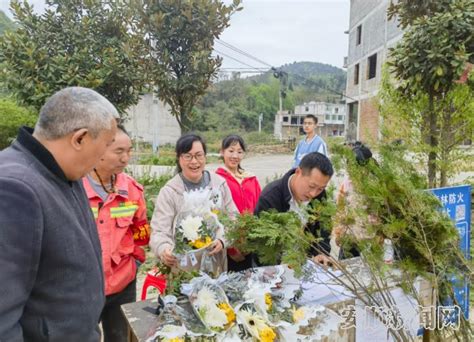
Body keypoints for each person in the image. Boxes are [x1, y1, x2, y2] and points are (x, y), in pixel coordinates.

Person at [0, 87, 118, 341]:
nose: (103, 156)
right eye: (106, 144)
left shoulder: (62, 172)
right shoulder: (14, 188)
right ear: (80, 139)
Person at [82, 125, 149, 342]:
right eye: (119, 151)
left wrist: (135, 263)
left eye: (129, 151)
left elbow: (141, 232)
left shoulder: (131, 190)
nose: (126, 158)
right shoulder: (75, 187)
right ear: (99, 149)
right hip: (83, 287)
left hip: (122, 283)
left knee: (120, 338)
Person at [150, 133, 238, 275]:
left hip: (216, 265)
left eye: (199, 155)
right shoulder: (170, 191)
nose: (194, 161)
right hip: (182, 268)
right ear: (179, 159)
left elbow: (234, 219)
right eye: (188, 156)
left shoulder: (219, 184)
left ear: (205, 157)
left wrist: (223, 241)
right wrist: (163, 249)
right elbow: (159, 230)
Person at [255, 152, 334, 266]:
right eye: (311, 186)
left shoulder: (320, 196)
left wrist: (321, 252)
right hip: (276, 265)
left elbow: (324, 227)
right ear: (298, 172)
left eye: (321, 188)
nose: (313, 194)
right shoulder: (271, 197)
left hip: (304, 261)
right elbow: (261, 244)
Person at [215, 134, 261, 271]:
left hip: (250, 245)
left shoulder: (251, 180)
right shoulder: (217, 180)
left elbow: (260, 210)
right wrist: (231, 248)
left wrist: (253, 243)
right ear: (222, 152)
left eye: (239, 152)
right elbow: (216, 216)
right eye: (231, 151)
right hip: (227, 245)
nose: (235, 156)